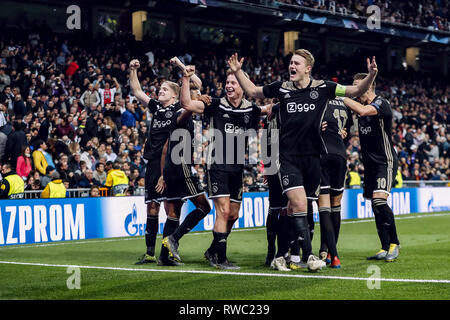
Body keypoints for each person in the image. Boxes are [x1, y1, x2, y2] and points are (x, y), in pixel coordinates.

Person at [227, 50, 378, 271]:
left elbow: (356, 90)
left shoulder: (324, 87)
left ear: (308, 68)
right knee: (298, 204)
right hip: (288, 158)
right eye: (290, 62)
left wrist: (371, 75)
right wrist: (238, 72)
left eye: (296, 63)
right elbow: (253, 90)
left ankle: (281, 255)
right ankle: (308, 256)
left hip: (313, 158)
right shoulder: (281, 88)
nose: (292, 66)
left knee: (298, 207)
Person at [179, 65, 270, 270]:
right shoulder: (215, 104)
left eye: (233, 83)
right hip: (217, 165)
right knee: (223, 211)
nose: (228, 86)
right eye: (227, 82)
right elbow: (185, 103)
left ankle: (212, 250)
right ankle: (221, 259)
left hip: (237, 169)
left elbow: (268, 110)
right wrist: (186, 78)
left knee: (234, 215)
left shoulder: (250, 110)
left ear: (243, 86)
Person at [130, 58, 200, 265]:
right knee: (152, 207)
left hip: (171, 164)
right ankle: (150, 253)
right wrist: (133, 70)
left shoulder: (180, 108)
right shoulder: (157, 108)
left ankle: (166, 253)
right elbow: (136, 92)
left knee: (172, 207)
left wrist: (181, 66)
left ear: (174, 94)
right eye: (159, 89)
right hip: (152, 162)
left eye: (164, 89)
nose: (159, 91)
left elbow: (198, 84)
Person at [340, 72, 400, 262]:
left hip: (385, 161)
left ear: (368, 86)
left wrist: (340, 95)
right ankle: (384, 247)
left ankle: (394, 243)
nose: (356, 89)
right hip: (370, 166)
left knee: (379, 201)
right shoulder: (359, 110)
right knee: (375, 207)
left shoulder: (381, 103)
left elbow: (364, 111)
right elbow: (350, 129)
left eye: (359, 85)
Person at [160, 69, 212, 266]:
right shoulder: (183, 113)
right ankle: (174, 239)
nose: (199, 98)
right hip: (181, 167)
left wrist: (163, 174)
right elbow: (185, 111)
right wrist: (191, 105)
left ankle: (164, 257)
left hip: (171, 169)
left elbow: (166, 147)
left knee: (174, 212)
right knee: (204, 206)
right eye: (196, 96)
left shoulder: (182, 114)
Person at [313, 97, 354, 269]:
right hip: (340, 155)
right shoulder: (345, 105)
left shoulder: (317, 101)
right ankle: (330, 253)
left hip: (322, 154)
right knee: (336, 206)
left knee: (324, 207)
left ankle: (333, 254)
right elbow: (347, 133)